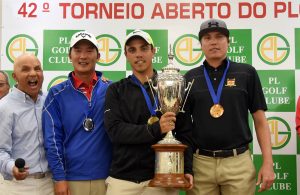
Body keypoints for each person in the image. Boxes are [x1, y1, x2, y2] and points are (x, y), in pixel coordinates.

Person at [177, 19, 275, 195]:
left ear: (228, 42)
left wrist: (268, 164)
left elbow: (260, 121)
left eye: (219, 37)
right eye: (207, 38)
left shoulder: (247, 73)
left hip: (238, 163)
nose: (214, 41)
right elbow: (185, 129)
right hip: (201, 163)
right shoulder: (190, 78)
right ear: (201, 44)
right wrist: (187, 167)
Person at [104, 29, 192, 195]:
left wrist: (186, 168)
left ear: (153, 51)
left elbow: (185, 132)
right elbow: (115, 131)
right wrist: (155, 129)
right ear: (126, 54)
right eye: (132, 50)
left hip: (163, 178)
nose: (138, 54)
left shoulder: (171, 84)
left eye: (144, 48)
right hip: (123, 180)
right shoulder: (115, 90)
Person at [42, 31, 112, 195]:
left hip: (109, 178)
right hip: (71, 179)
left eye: (89, 50)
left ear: (98, 56)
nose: (83, 56)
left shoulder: (112, 90)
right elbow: (52, 140)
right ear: (69, 55)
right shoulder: (56, 94)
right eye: (78, 50)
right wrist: (59, 178)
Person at [0, 53, 54, 195]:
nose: (32, 73)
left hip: (50, 183)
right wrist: (12, 168)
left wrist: (99, 80)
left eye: (37, 68)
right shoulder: (4, 107)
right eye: (25, 69)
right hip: (17, 187)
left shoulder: (49, 101)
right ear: (15, 77)